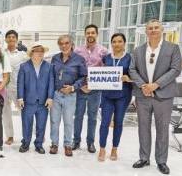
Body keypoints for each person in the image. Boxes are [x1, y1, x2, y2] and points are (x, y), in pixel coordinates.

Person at [130, 19, 182, 175]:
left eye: (156, 28)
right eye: (150, 28)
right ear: (146, 31)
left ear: (162, 30)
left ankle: (161, 161)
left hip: (164, 95)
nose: (153, 30)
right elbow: (132, 70)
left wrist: (156, 84)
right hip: (143, 95)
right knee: (143, 127)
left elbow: (175, 69)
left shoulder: (172, 48)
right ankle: (144, 158)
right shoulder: (138, 50)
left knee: (162, 128)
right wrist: (143, 86)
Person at [50, 35, 88, 157]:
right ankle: (54, 144)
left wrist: (73, 87)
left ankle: (67, 145)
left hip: (71, 95)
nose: (64, 46)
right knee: (54, 121)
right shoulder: (55, 58)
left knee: (68, 121)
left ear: (71, 44)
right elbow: (52, 76)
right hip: (56, 94)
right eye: (61, 43)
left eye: (66, 43)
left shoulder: (79, 59)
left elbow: (83, 77)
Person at [73, 24, 108, 153]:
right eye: (88, 33)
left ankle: (90, 142)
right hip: (80, 89)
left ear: (97, 34)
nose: (90, 35)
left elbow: (106, 70)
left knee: (93, 117)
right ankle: (76, 141)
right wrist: (81, 85)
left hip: (95, 90)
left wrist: (94, 84)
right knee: (78, 116)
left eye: (93, 33)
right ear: (85, 34)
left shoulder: (103, 51)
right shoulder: (77, 51)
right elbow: (74, 70)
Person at [98, 33, 133, 162]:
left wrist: (128, 78)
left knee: (118, 122)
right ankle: (102, 148)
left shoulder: (130, 58)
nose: (116, 44)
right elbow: (100, 74)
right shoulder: (106, 58)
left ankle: (114, 149)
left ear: (124, 43)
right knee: (105, 122)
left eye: (119, 41)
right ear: (111, 43)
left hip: (123, 95)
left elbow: (135, 76)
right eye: (114, 41)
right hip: (107, 95)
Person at [17, 43, 54, 154]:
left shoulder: (49, 66)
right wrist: (20, 97)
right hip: (28, 101)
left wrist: (50, 97)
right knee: (27, 123)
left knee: (41, 124)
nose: (39, 53)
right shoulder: (24, 66)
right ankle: (25, 143)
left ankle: (39, 144)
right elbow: (20, 83)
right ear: (31, 53)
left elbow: (51, 83)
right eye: (37, 51)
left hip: (43, 102)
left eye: (41, 51)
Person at [3, 30, 29, 146]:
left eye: (13, 37)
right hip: (4, 87)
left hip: (18, 87)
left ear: (17, 39)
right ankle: (10, 136)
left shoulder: (22, 55)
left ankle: (31, 133)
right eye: (9, 37)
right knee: (6, 112)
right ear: (6, 39)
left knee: (24, 111)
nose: (11, 39)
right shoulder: (2, 54)